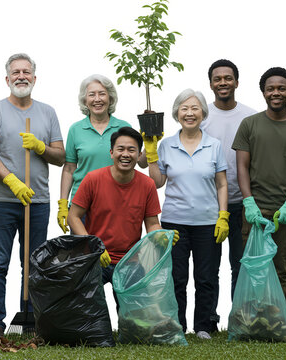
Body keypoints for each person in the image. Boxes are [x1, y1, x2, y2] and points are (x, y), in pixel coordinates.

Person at [0, 53, 65, 337]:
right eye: (15, 72)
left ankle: (29, 319)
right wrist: (13, 181)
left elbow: (60, 156)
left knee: (33, 263)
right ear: (7, 79)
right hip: (3, 201)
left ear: (34, 78)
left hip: (38, 200)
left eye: (26, 72)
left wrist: (41, 148)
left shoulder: (47, 112)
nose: (21, 76)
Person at [145, 89, 229, 340]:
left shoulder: (213, 145)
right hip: (174, 222)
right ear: (176, 113)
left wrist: (223, 215)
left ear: (203, 112)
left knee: (206, 277)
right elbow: (157, 182)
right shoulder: (166, 145)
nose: (190, 113)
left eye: (194, 108)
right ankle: (177, 325)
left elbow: (222, 184)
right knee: (176, 277)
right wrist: (151, 154)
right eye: (184, 108)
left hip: (207, 222)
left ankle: (204, 326)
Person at [68, 126, 174, 308]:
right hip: (96, 259)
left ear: (139, 154)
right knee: (87, 316)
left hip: (130, 261)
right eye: (120, 149)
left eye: (131, 150)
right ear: (111, 153)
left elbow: (152, 223)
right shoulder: (93, 179)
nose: (126, 154)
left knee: (135, 324)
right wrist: (93, 246)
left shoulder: (147, 185)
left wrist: (161, 235)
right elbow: (73, 217)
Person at [232, 67, 286, 297]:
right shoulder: (249, 125)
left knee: (280, 270)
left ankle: (277, 326)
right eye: (270, 89)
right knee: (252, 269)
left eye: (281, 88)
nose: (275, 93)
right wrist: (249, 203)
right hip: (254, 213)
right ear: (263, 93)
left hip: (284, 215)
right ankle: (249, 324)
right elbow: (242, 166)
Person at [200, 59, 256, 318]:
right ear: (210, 83)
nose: (223, 83)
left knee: (241, 265)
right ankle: (208, 321)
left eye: (228, 78)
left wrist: (251, 201)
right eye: (217, 79)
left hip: (243, 203)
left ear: (236, 81)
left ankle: (241, 318)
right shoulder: (202, 117)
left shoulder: (251, 116)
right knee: (209, 268)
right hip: (209, 205)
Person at [58, 74, 131, 233]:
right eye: (92, 94)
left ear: (110, 98)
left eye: (102, 94)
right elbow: (69, 168)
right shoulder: (75, 130)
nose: (97, 99)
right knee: (82, 255)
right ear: (85, 100)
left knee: (116, 255)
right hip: (81, 206)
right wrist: (63, 203)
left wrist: (151, 146)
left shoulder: (124, 128)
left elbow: (138, 162)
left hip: (117, 203)